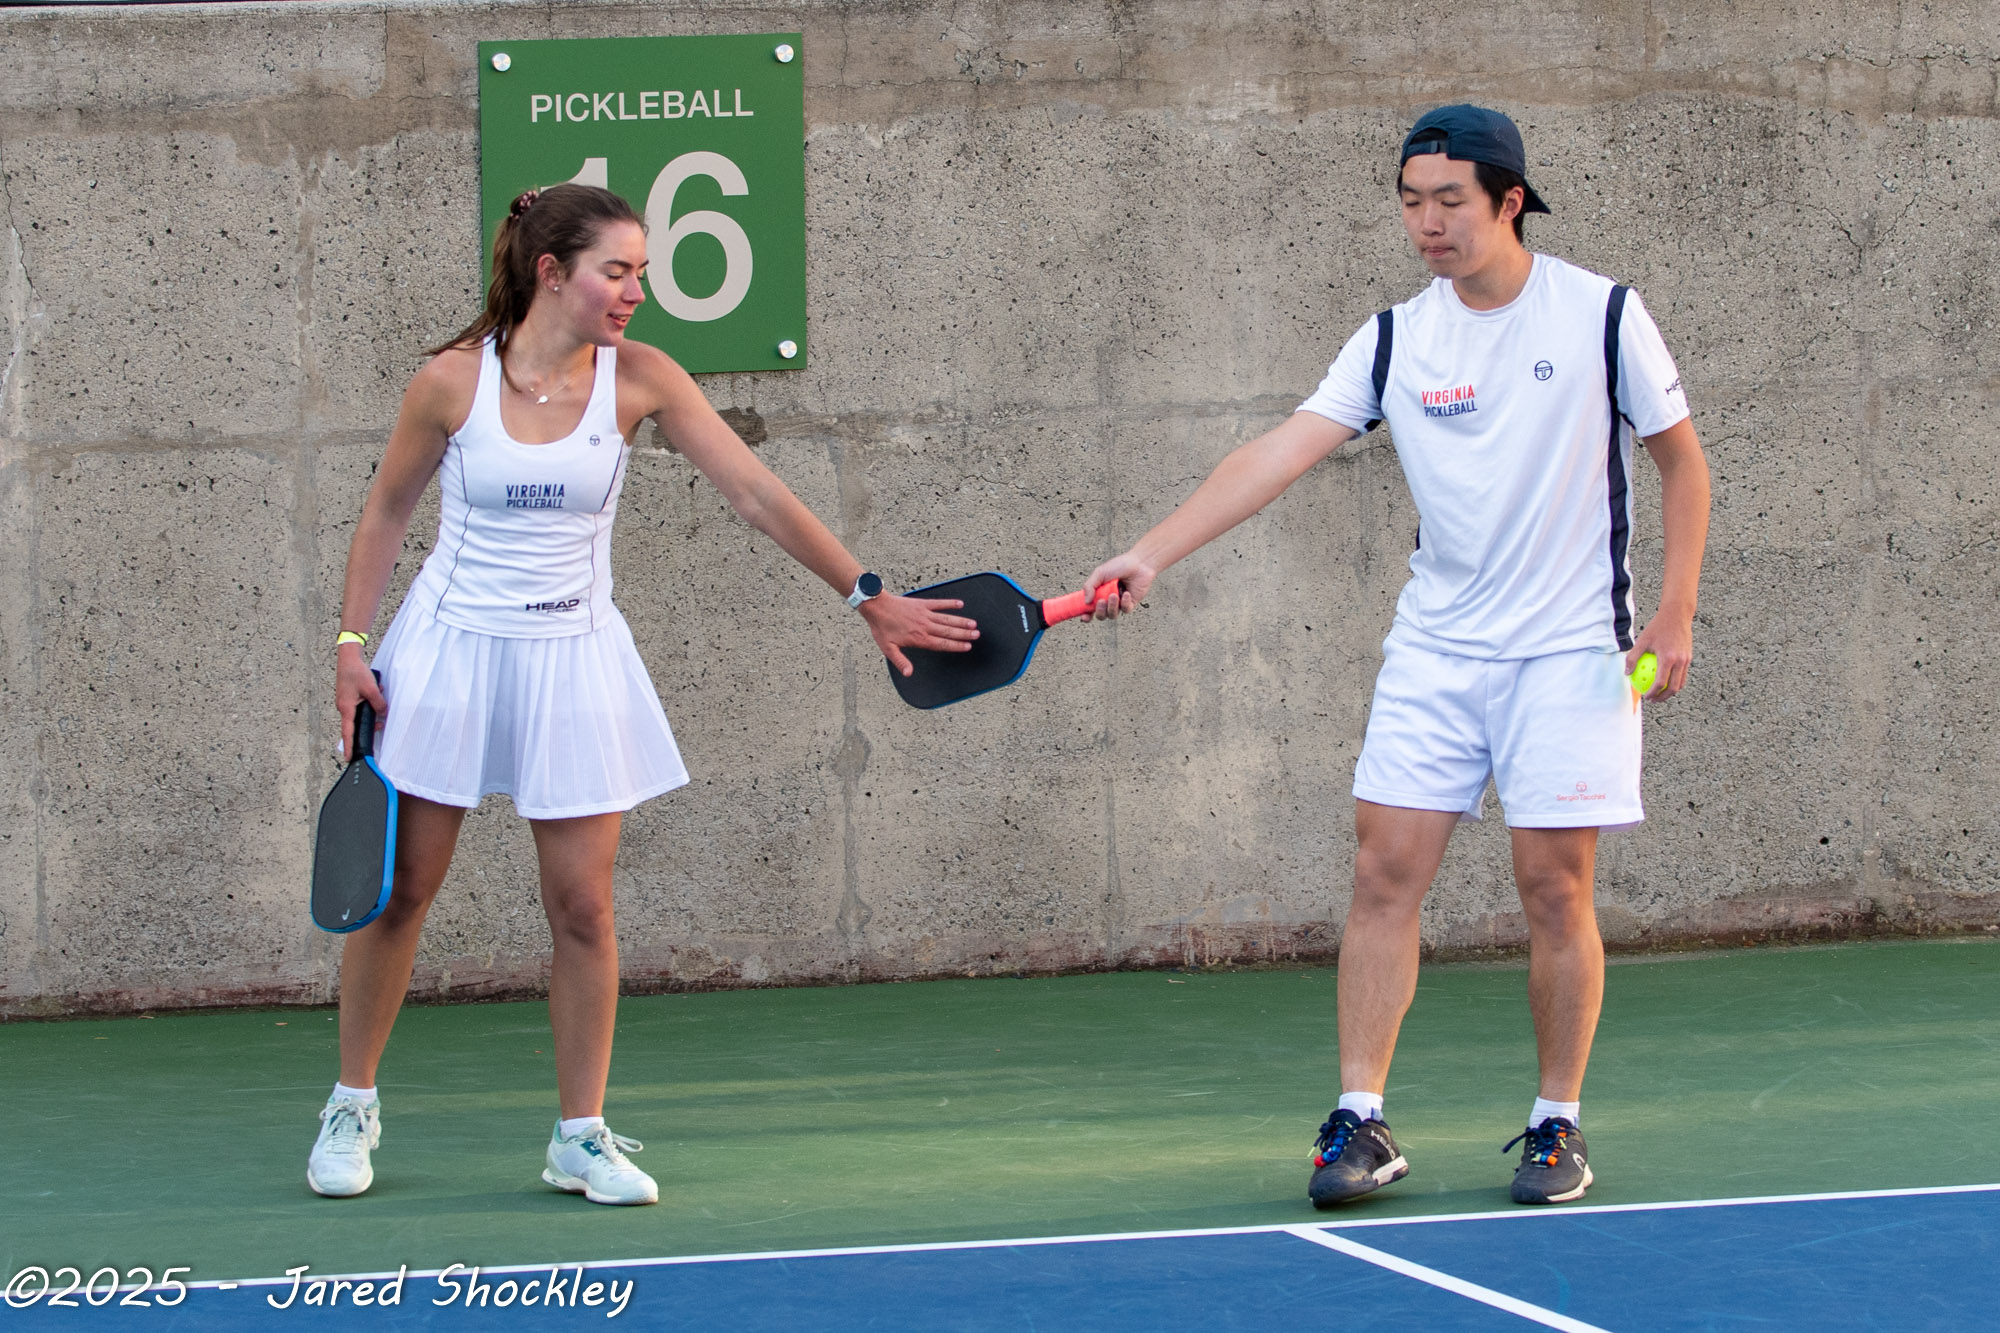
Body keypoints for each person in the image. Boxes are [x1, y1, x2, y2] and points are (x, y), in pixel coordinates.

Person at [1081, 106, 1710, 1207]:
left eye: (1449, 201)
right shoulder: (1393, 339)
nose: (1427, 222)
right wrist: (1151, 552)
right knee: (1381, 875)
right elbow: (1278, 452)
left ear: (1509, 200)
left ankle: (1555, 1124)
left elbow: (1681, 463)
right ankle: (1360, 1119)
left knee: (1553, 886)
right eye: (1412, 201)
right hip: (1436, 651)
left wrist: (1675, 612)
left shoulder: (1602, 314)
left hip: (1571, 653)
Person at [306, 184, 978, 1205]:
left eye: (643, 273)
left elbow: (756, 492)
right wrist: (352, 645)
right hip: (447, 654)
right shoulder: (449, 382)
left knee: (584, 906)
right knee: (401, 893)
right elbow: (386, 512)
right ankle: (350, 1104)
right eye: (616, 272)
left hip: (575, 659)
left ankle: (578, 1136)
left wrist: (867, 595)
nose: (635, 292)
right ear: (551, 273)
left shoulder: (642, 378)